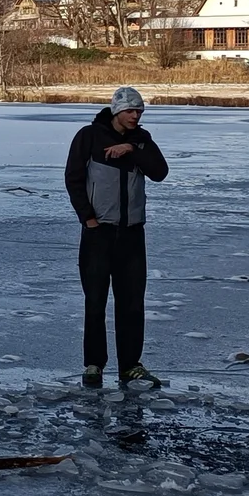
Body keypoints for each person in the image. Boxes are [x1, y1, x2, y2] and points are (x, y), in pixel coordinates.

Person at [65, 86, 170, 388]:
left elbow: (160, 172)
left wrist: (133, 150)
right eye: (129, 111)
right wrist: (88, 218)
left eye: (139, 111)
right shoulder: (89, 136)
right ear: (116, 111)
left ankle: (130, 366)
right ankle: (94, 365)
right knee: (95, 302)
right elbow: (73, 178)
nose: (135, 116)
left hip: (132, 234)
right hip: (99, 233)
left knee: (132, 304)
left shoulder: (142, 140)